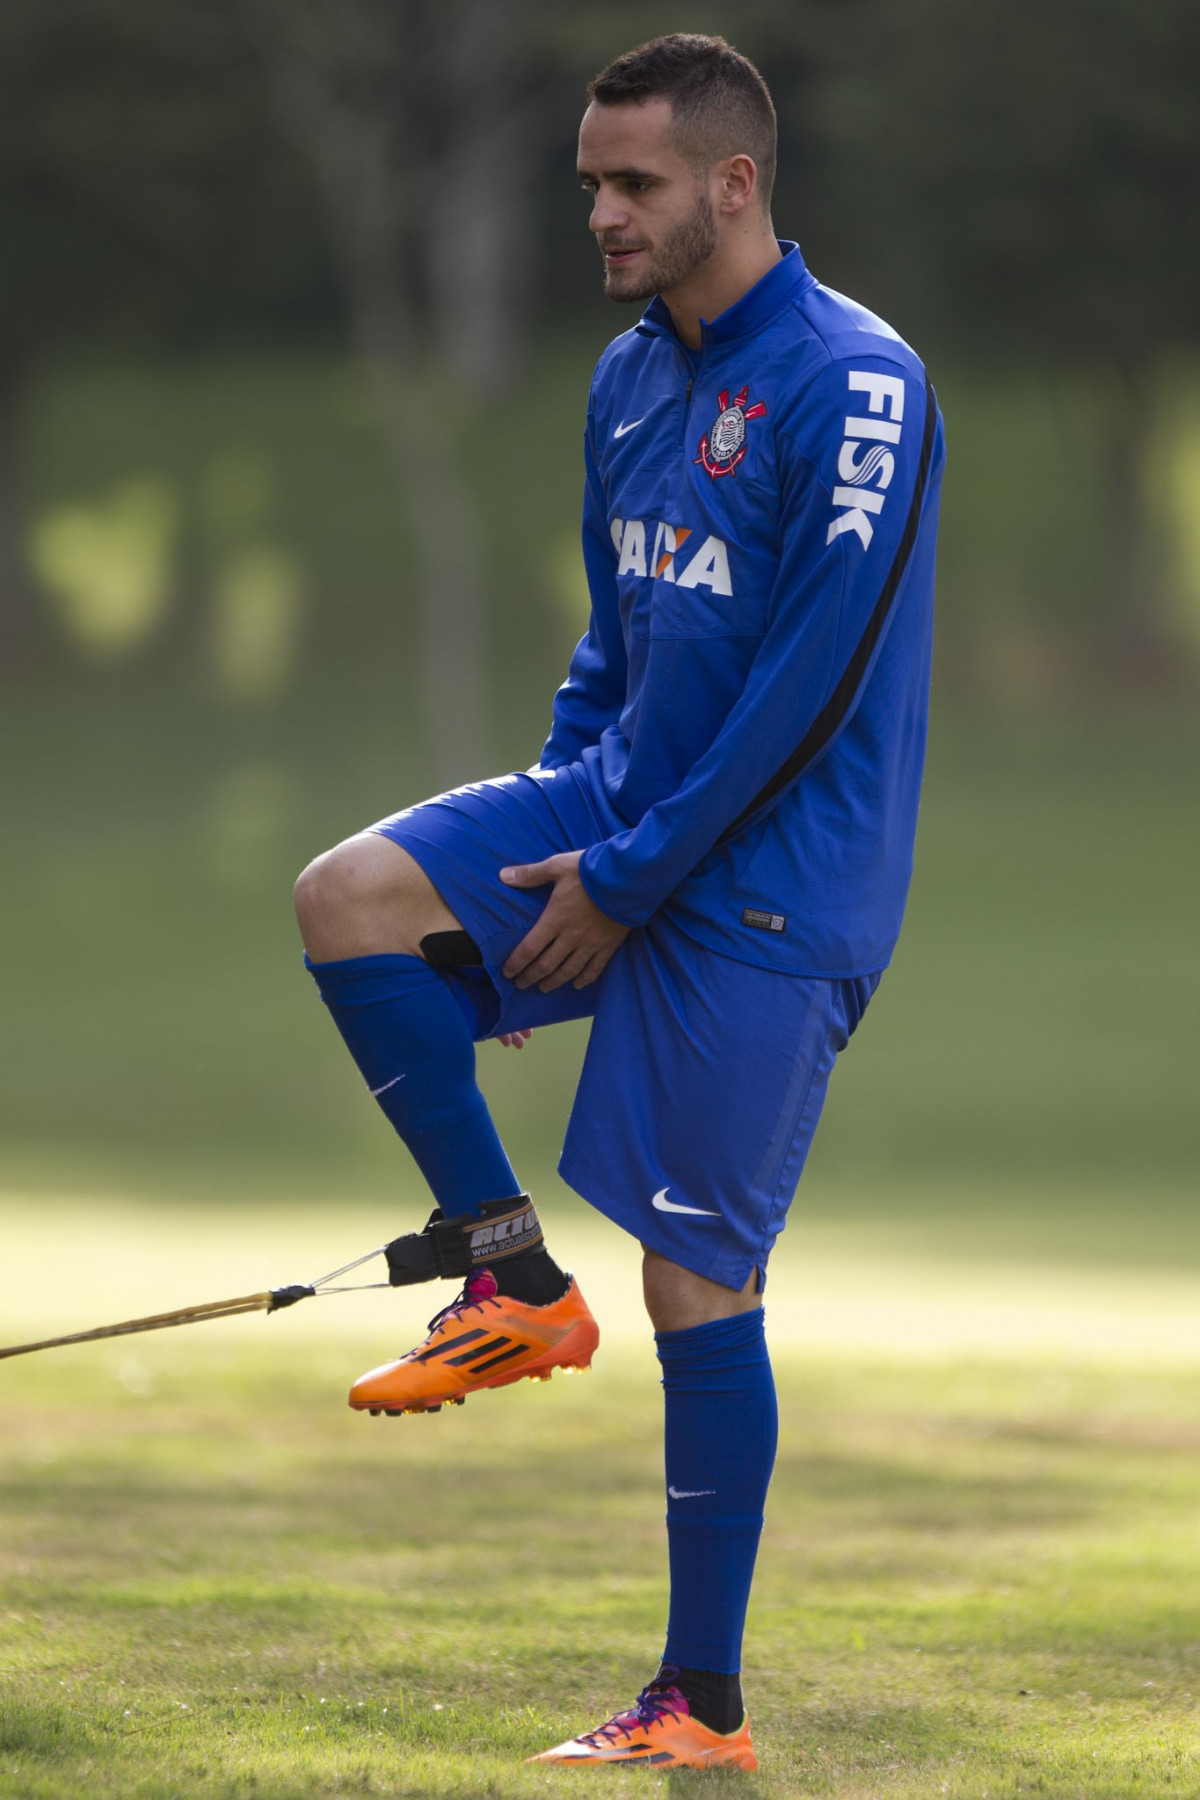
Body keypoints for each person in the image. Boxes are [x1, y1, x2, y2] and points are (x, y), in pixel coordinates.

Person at [293, 32, 944, 1773]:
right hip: (630, 810)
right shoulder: (626, 376)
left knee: (695, 1287)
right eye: (591, 180)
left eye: (634, 182)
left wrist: (636, 876)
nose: (602, 209)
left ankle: (701, 1705)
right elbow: (622, 629)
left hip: (774, 881)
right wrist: (582, 776)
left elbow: (811, 684)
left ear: (734, 183)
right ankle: (510, 1282)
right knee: (352, 897)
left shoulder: (858, 383)